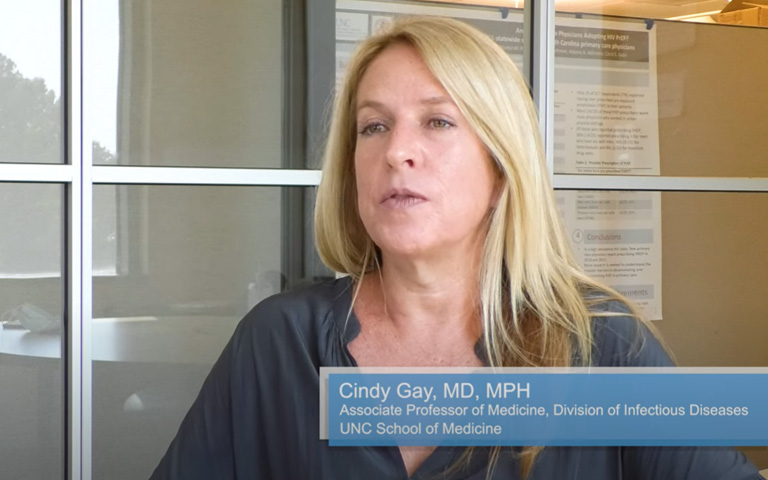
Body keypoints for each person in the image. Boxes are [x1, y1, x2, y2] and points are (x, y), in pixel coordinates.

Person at [150, 16, 763, 480]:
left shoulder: (602, 343)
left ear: (501, 165)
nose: (396, 151)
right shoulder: (277, 342)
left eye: (438, 121)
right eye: (373, 126)